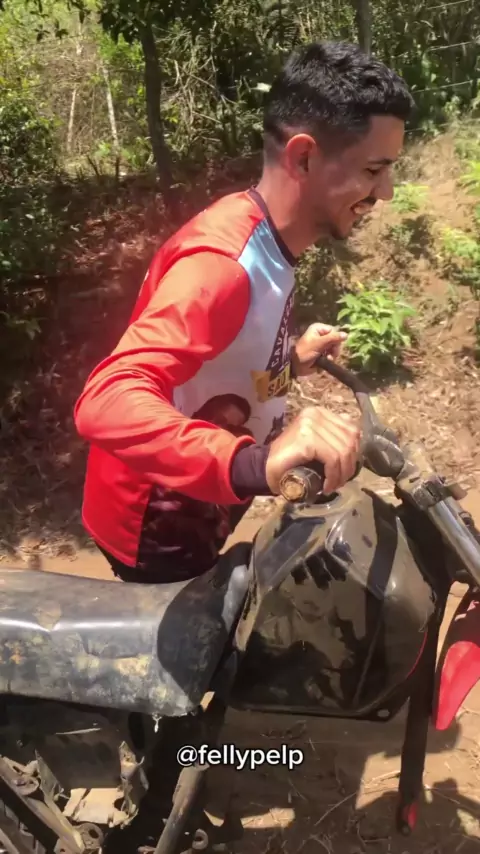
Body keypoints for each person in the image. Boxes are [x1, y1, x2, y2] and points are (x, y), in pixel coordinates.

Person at [74, 40, 414, 584]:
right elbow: (106, 401)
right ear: (303, 157)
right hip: (158, 521)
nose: (387, 192)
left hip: (203, 501)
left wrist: (291, 362)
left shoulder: (270, 242)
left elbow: (221, 366)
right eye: (374, 169)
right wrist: (255, 463)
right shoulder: (222, 265)